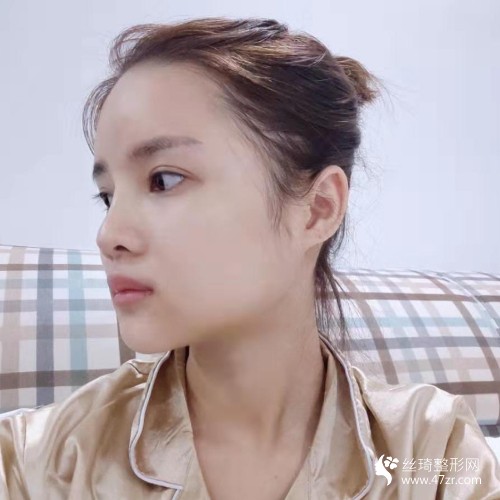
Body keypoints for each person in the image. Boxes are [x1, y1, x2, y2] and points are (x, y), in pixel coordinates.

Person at [1, 16, 499, 500]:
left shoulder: (431, 451)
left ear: (318, 209)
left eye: (164, 179)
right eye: (108, 196)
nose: (109, 235)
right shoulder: (35, 460)